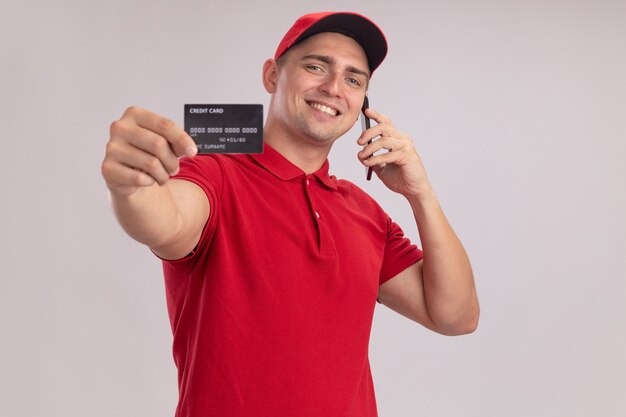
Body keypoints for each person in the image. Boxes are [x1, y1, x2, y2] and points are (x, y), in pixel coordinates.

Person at [101, 11, 479, 417]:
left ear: (363, 106)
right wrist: (133, 188)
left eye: (354, 79)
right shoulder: (215, 172)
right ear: (272, 76)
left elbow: (456, 316)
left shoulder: (365, 213)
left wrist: (420, 194)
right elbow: (168, 221)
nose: (334, 88)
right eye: (316, 66)